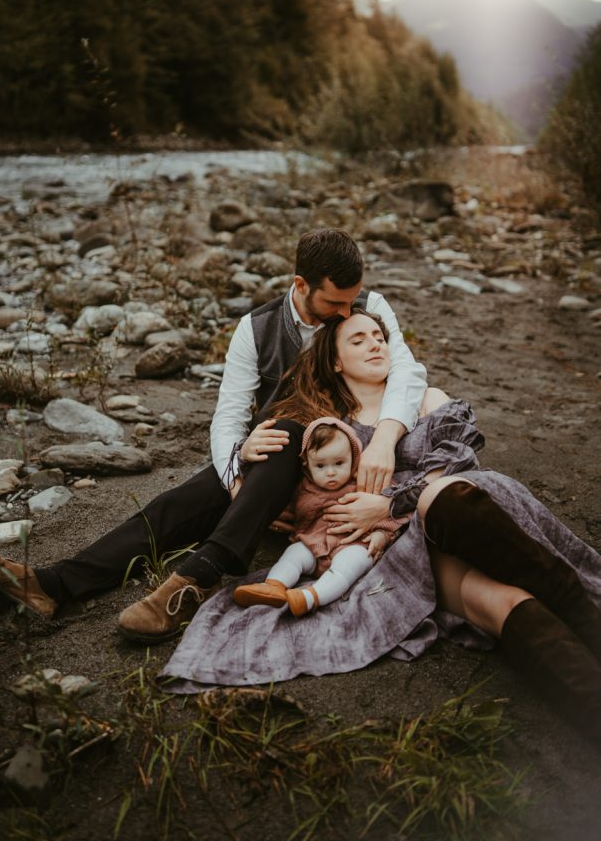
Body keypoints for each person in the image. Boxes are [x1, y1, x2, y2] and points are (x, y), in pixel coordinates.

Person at [0, 229, 427, 643]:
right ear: (301, 285)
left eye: (353, 301)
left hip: (337, 465)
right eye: (335, 303)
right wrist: (236, 469)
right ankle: (52, 586)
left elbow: (408, 373)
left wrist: (385, 439)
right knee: (177, 505)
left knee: (286, 432)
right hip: (272, 466)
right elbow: (228, 415)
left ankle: (193, 579)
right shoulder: (256, 329)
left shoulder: (369, 308)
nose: (348, 313)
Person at [161, 309, 601, 747]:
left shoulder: (425, 398)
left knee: (439, 499)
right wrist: (254, 471)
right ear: (334, 361)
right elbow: (289, 480)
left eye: (380, 336)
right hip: (402, 550)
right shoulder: (325, 425)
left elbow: (461, 461)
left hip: (460, 510)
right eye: (358, 340)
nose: (375, 344)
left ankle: (586, 618)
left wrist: (389, 502)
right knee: (496, 604)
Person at [233, 414, 409, 616]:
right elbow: (279, 506)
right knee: (294, 554)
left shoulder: (366, 484)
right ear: (307, 465)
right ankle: (274, 585)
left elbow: (394, 510)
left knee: (351, 563)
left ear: (354, 458)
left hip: (354, 544)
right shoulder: (302, 488)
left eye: (339, 463)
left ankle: (311, 597)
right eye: (321, 466)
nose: (331, 472)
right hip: (314, 542)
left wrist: (382, 535)